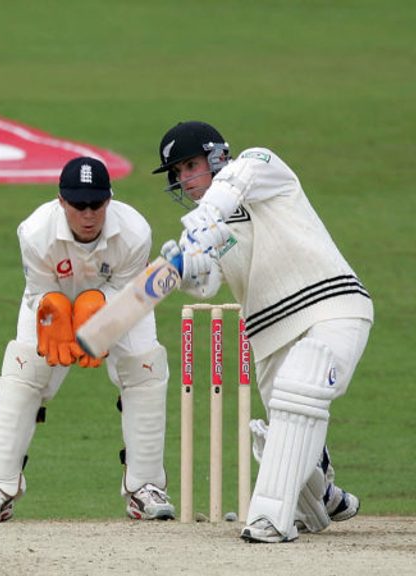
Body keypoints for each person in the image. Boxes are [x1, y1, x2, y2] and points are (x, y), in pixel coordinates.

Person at [153, 121, 372, 543]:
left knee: (303, 383)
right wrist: (188, 267)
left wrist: (201, 225)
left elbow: (237, 181)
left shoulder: (262, 166)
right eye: (177, 173)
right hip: (269, 338)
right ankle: (322, 497)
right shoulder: (206, 229)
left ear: (217, 156)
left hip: (332, 305)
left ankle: (270, 518)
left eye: (190, 165)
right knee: (289, 425)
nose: (184, 179)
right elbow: (207, 285)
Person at [0, 157, 175, 523]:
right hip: (53, 299)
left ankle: (145, 486)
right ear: (61, 201)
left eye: (96, 203)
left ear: (109, 199)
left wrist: (98, 307)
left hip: (118, 300)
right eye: (78, 204)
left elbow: (129, 293)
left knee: (144, 368)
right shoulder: (34, 232)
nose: (88, 213)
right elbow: (39, 291)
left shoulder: (135, 232)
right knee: (24, 369)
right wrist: (56, 312)